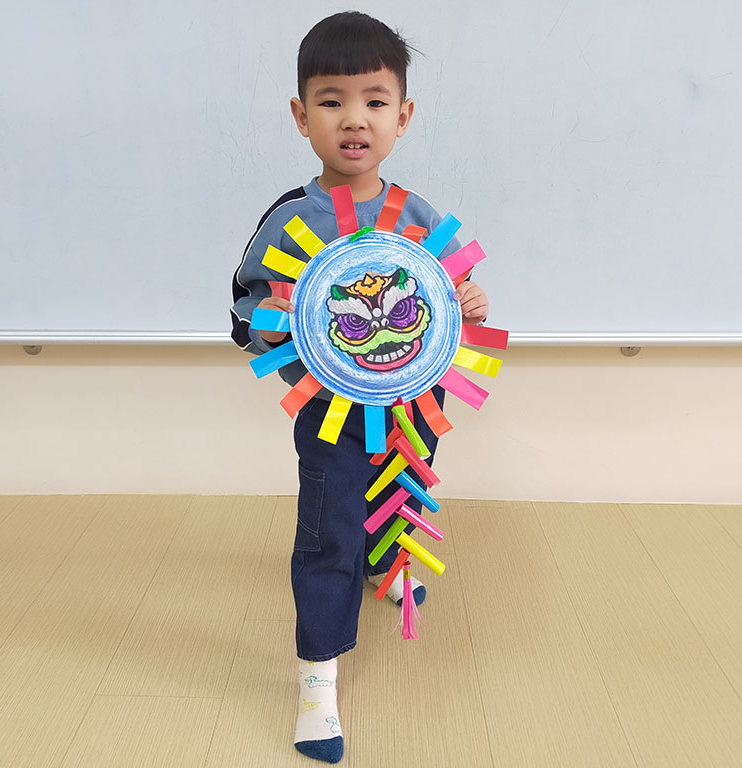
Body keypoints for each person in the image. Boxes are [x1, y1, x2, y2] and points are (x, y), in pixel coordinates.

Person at [230, 11, 489, 763]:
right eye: (332, 100)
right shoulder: (290, 220)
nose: (354, 119)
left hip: (415, 405)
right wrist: (278, 320)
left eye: (375, 101)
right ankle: (318, 679)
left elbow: (452, 298)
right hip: (330, 413)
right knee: (329, 532)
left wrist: (470, 302)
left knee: (403, 490)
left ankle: (387, 564)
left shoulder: (420, 215)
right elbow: (242, 311)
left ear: (402, 117)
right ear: (300, 115)